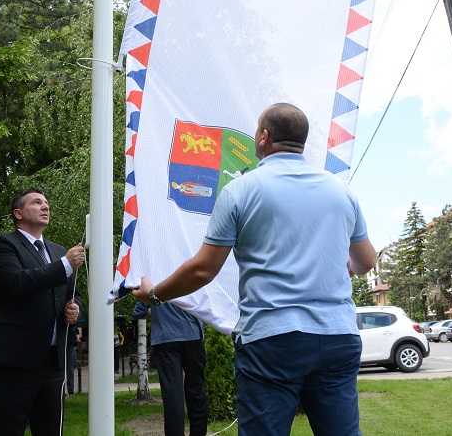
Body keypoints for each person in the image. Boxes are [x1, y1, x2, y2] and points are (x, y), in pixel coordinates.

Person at [133, 103, 378, 436]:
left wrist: (155, 294)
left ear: (264, 137)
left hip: (272, 341)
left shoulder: (239, 191)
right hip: (338, 337)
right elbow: (366, 262)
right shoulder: (340, 191)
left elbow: (204, 270)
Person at [0, 188, 85, 436]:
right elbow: (17, 283)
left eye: (47, 203)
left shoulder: (59, 251)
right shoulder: (3, 244)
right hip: (14, 358)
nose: (45, 206)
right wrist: (64, 265)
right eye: (37, 202)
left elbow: (73, 293)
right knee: (8, 428)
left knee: (51, 429)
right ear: (18, 213)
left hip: (52, 359)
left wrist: (74, 310)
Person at [133, 302, 208, 436]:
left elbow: (139, 311)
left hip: (165, 338)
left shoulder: (153, 281)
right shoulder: (191, 279)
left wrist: (160, 314)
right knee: (196, 391)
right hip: (192, 335)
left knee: (172, 396)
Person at [64, 325, 79, 396]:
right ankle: (69, 390)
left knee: (69, 368)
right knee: (69, 368)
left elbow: (74, 329)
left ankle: (70, 390)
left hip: (69, 342)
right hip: (68, 342)